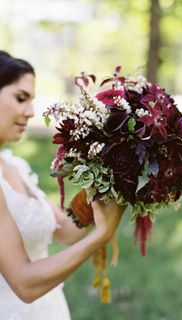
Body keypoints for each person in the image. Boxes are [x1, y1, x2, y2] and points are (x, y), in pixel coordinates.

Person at [0, 50, 124, 319]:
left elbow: (67, 229)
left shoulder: (14, 166)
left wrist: (113, 176)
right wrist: (100, 237)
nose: (31, 112)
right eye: (21, 98)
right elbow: (23, 282)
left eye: (32, 101)